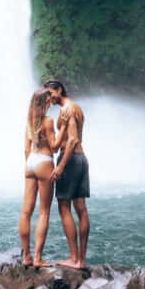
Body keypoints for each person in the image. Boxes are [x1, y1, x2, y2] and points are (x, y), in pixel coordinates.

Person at [45, 79, 90, 269]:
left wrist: (61, 166)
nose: (49, 98)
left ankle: (74, 258)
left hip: (70, 160)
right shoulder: (77, 107)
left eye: (50, 93)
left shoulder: (67, 110)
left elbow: (71, 141)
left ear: (59, 90)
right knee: (81, 208)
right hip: (81, 158)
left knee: (64, 207)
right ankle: (81, 259)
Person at [19, 87, 64, 267]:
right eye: (49, 100)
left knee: (26, 211)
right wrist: (63, 128)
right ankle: (38, 258)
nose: (51, 102)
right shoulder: (48, 121)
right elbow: (54, 147)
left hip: (30, 163)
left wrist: (30, 164)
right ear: (45, 102)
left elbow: (26, 149)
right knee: (44, 211)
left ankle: (26, 257)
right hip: (44, 161)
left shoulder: (29, 122)